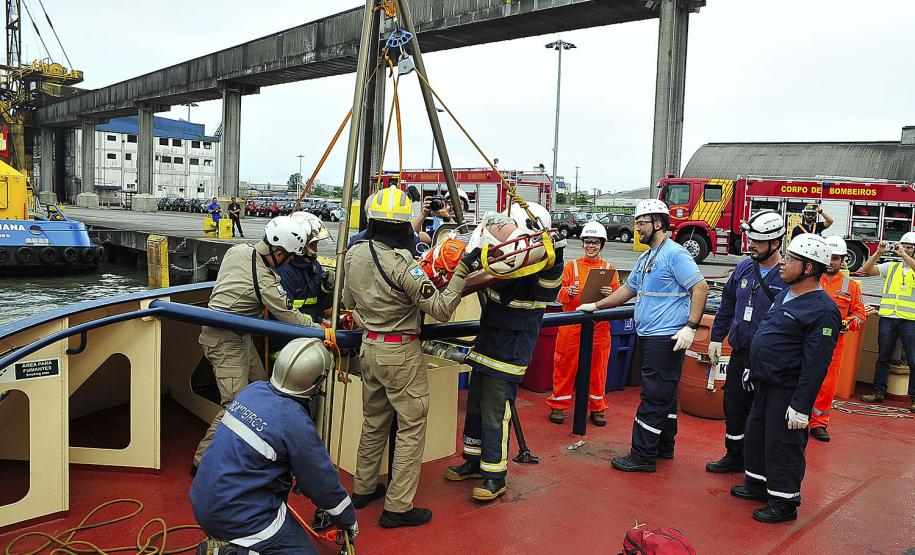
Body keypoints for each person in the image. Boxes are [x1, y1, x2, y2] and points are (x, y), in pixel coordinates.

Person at [342, 185, 478, 528]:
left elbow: (348, 302)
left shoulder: (355, 254)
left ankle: (363, 488)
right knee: (411, 428)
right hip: (400, 353)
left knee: (374, 422)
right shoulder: (405, 264)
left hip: (369, 348)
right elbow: (442, 309)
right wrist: (462, 272)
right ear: (404, 226)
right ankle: (398, 507)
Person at [190, 338, 358, 554]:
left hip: (203, 499)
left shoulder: (253, 391)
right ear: (316, 382)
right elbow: (322, 481)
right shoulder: (294, 421)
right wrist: (347, 519)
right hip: (237, 516)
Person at [577, 199, 708, 473]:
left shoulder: (675, 254)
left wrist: (691, 327)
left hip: (666, 337)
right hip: (649, 335)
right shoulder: (646, 257)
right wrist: (596, 305)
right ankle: (663, 446)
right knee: (665, 395)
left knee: (654, 395)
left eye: (641, 223)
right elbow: (629, 290)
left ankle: (643, 454)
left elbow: (700, 287)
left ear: (657, 223)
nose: (637, 228)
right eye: (637, 223)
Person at [445, 201, 564, 501]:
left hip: (512, 347)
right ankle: (473, 460)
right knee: (476, 405)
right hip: (489, 338)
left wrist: (553, 248)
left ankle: (495, 475)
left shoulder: (548, 260)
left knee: (496, 410)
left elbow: (543, 285)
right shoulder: (508, 258)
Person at [193, 216, 317, 473]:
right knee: (235, 403)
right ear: (279, 252)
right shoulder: (265, 281)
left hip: (239, 335)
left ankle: (250, 444)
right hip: (225, 340)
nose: (291, 261)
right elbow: (292, 318)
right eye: (290, 257)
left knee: (261, 387)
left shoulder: (238, 250)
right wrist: (323, 330)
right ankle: (202, 461)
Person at [730, 233, 840, 523]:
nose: (783, 263)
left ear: (808, 268)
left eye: (791, 260)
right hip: (764, 381)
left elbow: (817, 363)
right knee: (757, 435)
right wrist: (752, 368)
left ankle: (784, 501)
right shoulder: (785, 294)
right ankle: (757, 483)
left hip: (787, 388)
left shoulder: (823, 310)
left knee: (783, 443)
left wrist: (802, 406)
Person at [705, 210, 787, 474]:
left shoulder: (785, 276)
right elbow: (728, 303)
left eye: (758, 241)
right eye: (749, 239)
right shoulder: (743, 267)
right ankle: (734, 455)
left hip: (767, 359)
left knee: (759, 412)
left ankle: (755, 464)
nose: (750, 245)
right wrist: (717, 338)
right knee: (734, 405)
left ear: (775, 244)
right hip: (740, 352)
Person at [547, 221, 619, 426]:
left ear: (601, 245)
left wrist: (610, 294)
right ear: (583, 243)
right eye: (588, 242)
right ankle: (558, 406)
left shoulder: (609, 269)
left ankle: (597, 408)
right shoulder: (571, 267)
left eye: (595, 243)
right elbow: (557, 294)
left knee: (598, 370)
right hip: (572, 327)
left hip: (599, 327)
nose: (591, 246)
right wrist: (567, 292)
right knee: (564, 366)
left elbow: (618, 297)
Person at [807, 236, 868, 441]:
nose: (832, 262)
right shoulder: (809, 278)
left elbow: (860, 314)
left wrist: (848, 323)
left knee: (827, 385)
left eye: (837, 258)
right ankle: (795, 416)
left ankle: (819, 423)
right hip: (804, 340)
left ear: (843, 260)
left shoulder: (850, 286)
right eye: (829, 257)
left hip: (833, 344)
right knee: (798, 378)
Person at [858, 232, 915, 411]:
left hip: (910, 320)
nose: (905, 249)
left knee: (913, 360)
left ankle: (913, 398)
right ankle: (878, 392)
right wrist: (878, 253)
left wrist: (904, 255)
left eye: (910, 247)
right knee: (883, 356)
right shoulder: (892, 267)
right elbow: (866, 269)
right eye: (903, 245)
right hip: (888, 317)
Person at [277, 211, 334, 321]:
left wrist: (326, 288)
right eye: (312, 245)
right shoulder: (284, 271)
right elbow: (287, 315)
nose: (316, 250)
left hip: (310, 327)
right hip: (291, 332)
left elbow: (319, 303)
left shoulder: (313, 265)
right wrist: (317, 322)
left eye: (316, 244)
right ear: (298, 244)